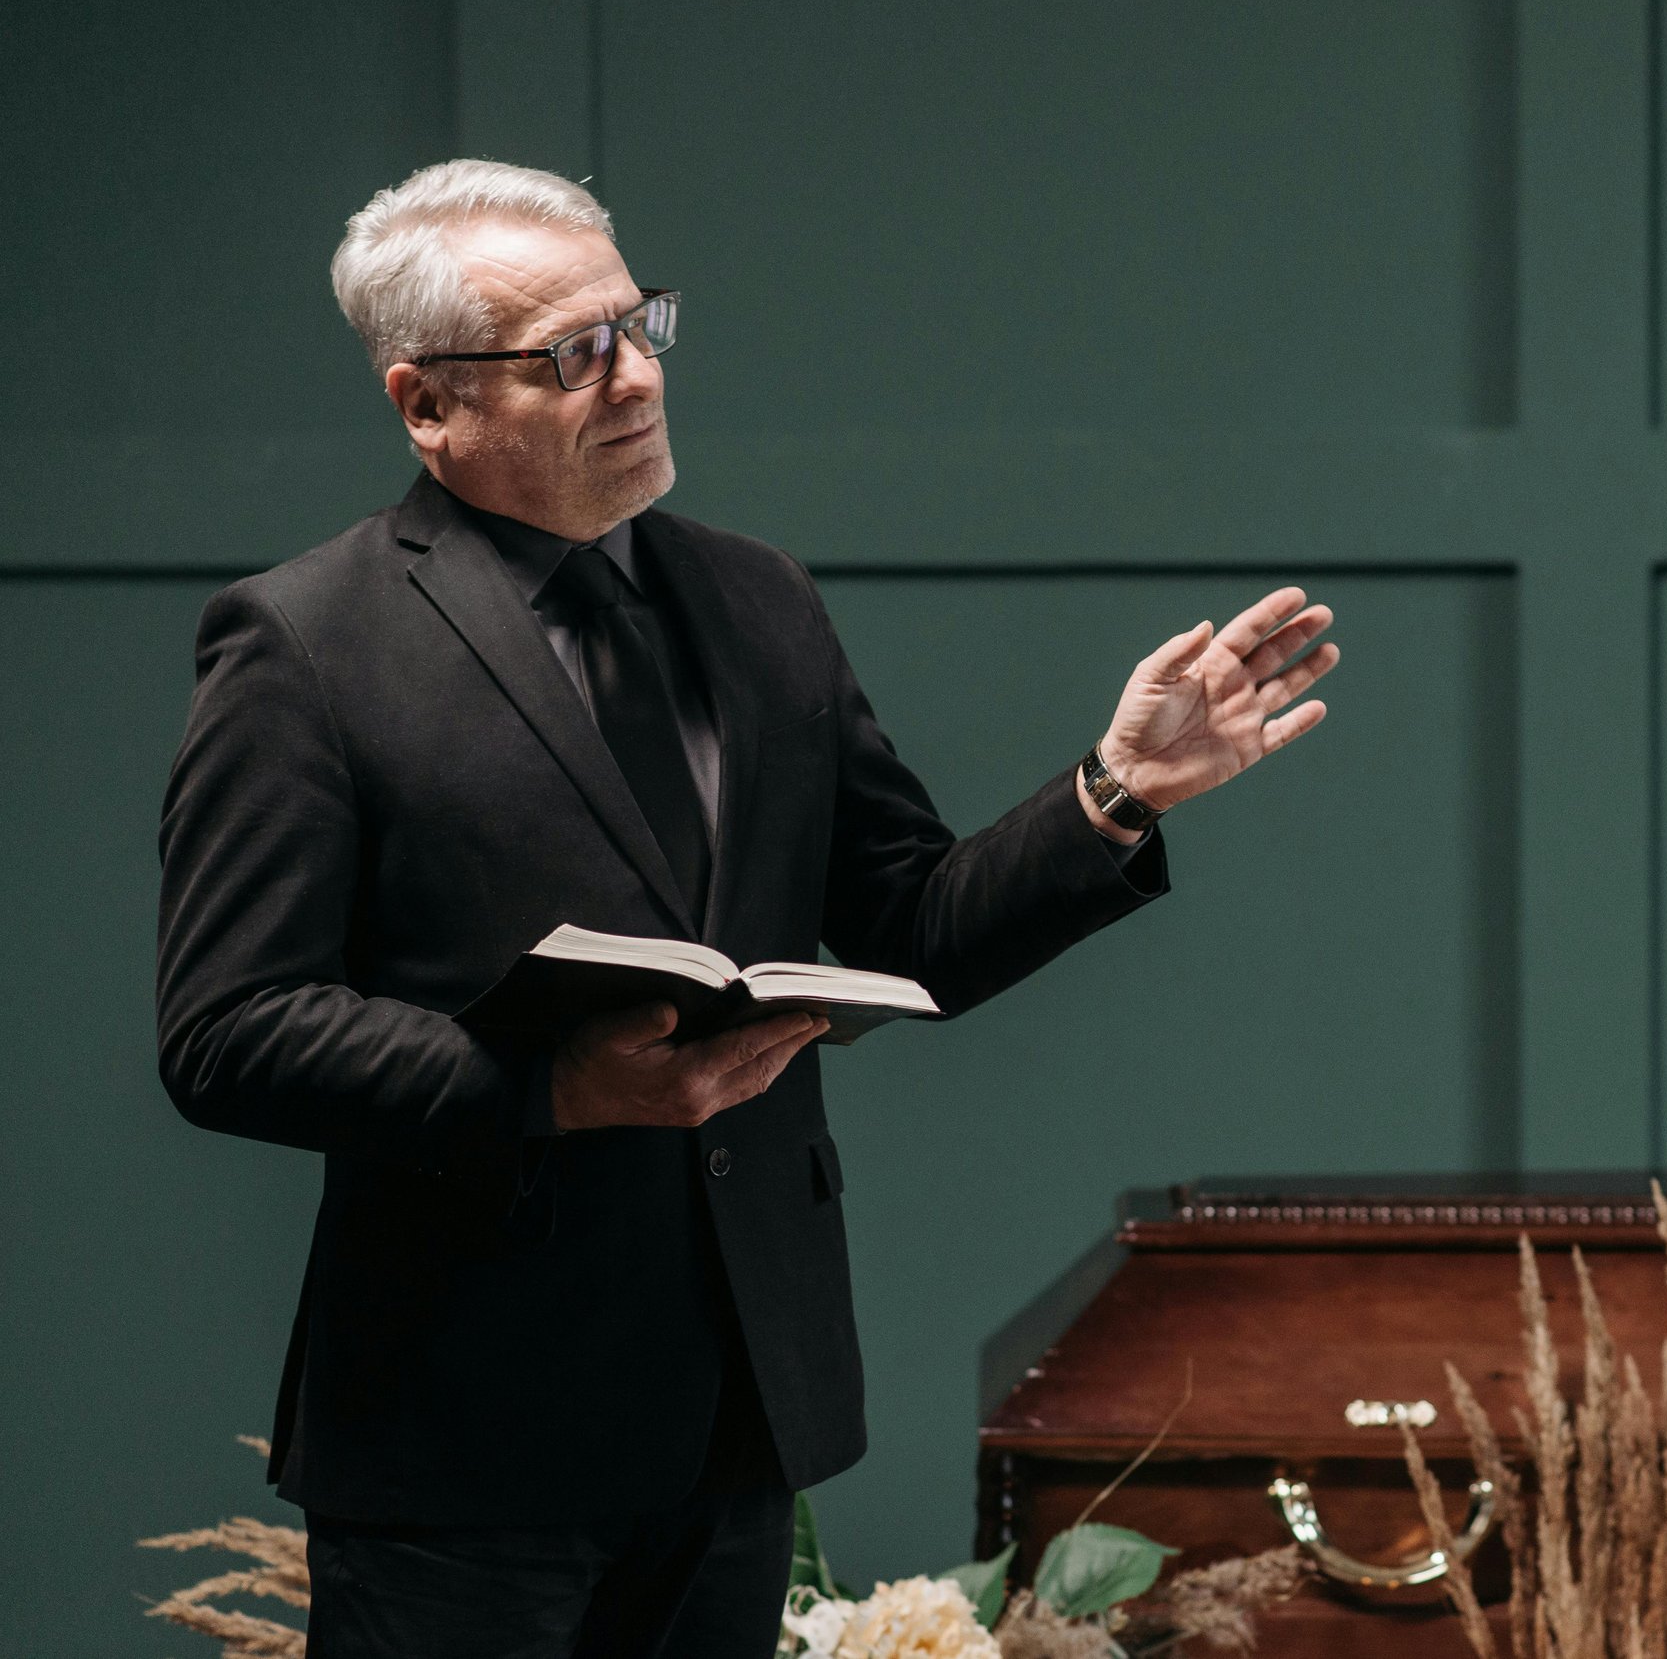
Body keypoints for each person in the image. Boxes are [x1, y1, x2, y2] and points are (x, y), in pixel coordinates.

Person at [154, 158, 1337, 1658]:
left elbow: (911, 927)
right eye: (570, 355)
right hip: (460, 1440)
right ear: (426, 404)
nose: (634, 375)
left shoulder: (759, 598)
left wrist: (1116, 788)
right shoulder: (302, 640)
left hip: (736, 1417)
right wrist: (547, 1085)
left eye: (639, 323)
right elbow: (224, 1029)